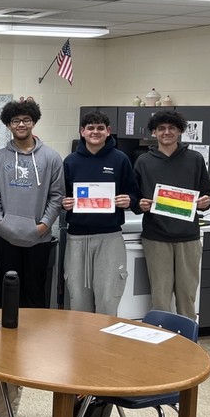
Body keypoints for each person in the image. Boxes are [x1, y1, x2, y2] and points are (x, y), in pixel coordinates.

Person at [0, 98, 64, 309]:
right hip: (6, 237)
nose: (21, 124)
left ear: (33, 122)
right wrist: (1, 223)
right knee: (8, 292)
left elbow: (57, 196)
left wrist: (43, 226)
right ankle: (8, 330)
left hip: (38, 239)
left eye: (26, 120)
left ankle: (35, 332)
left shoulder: (51, 158)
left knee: (35, 293)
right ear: (8, 124)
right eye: (15, 120)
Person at [134, 110, 210, 319]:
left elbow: (205, 195)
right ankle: (162, 336)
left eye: (172, 128)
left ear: (179, 131)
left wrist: (205, 203)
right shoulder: (143, 161)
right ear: (154, 132)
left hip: (188, 237)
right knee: (160, 296)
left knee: (187, 295)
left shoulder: (195, 159)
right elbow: (135, 198)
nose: (166, 132)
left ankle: (187, 336)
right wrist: (139, 204)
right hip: (156, 237)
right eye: (161, 128)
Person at [61, 110, 139, 315]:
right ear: (82, 131)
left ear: (108, 131)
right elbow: (61, 196)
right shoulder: (70, 161)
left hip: (109, 237)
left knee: (108, 298)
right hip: (77, 238)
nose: (95, 132)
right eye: (90, 128)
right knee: (78, 298)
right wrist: (64, 203)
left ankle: (105, 336)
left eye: (100, 128)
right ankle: (83, 336)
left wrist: (129, 200)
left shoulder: (120, 159)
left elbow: (134, 194)